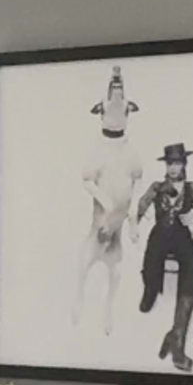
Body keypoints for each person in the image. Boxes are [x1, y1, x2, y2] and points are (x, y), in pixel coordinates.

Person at [75, 67, 152, 333]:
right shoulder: (97, 151)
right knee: (84, 267)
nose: (117, 112)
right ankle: (79, 303)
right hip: (99, 224)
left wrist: (132, 218)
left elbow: (139, 178)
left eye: (124, 109)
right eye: (111, 107)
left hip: (118, 227)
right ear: (102, 113)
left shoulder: (131, 152)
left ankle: (107, 314)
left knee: (115, 273)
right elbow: (86, 180)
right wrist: (106, 202)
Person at [136, 142, 193, 370]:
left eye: (177, 163)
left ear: (184, 164)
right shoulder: (156, 186)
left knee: (192, 266)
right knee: (151, 259)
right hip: (159, 235)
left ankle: (177, 339)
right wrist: (136, 221)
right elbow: (141, 206)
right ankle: (150, 289)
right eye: (170, 163)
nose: (173, 168)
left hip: (182, 237)